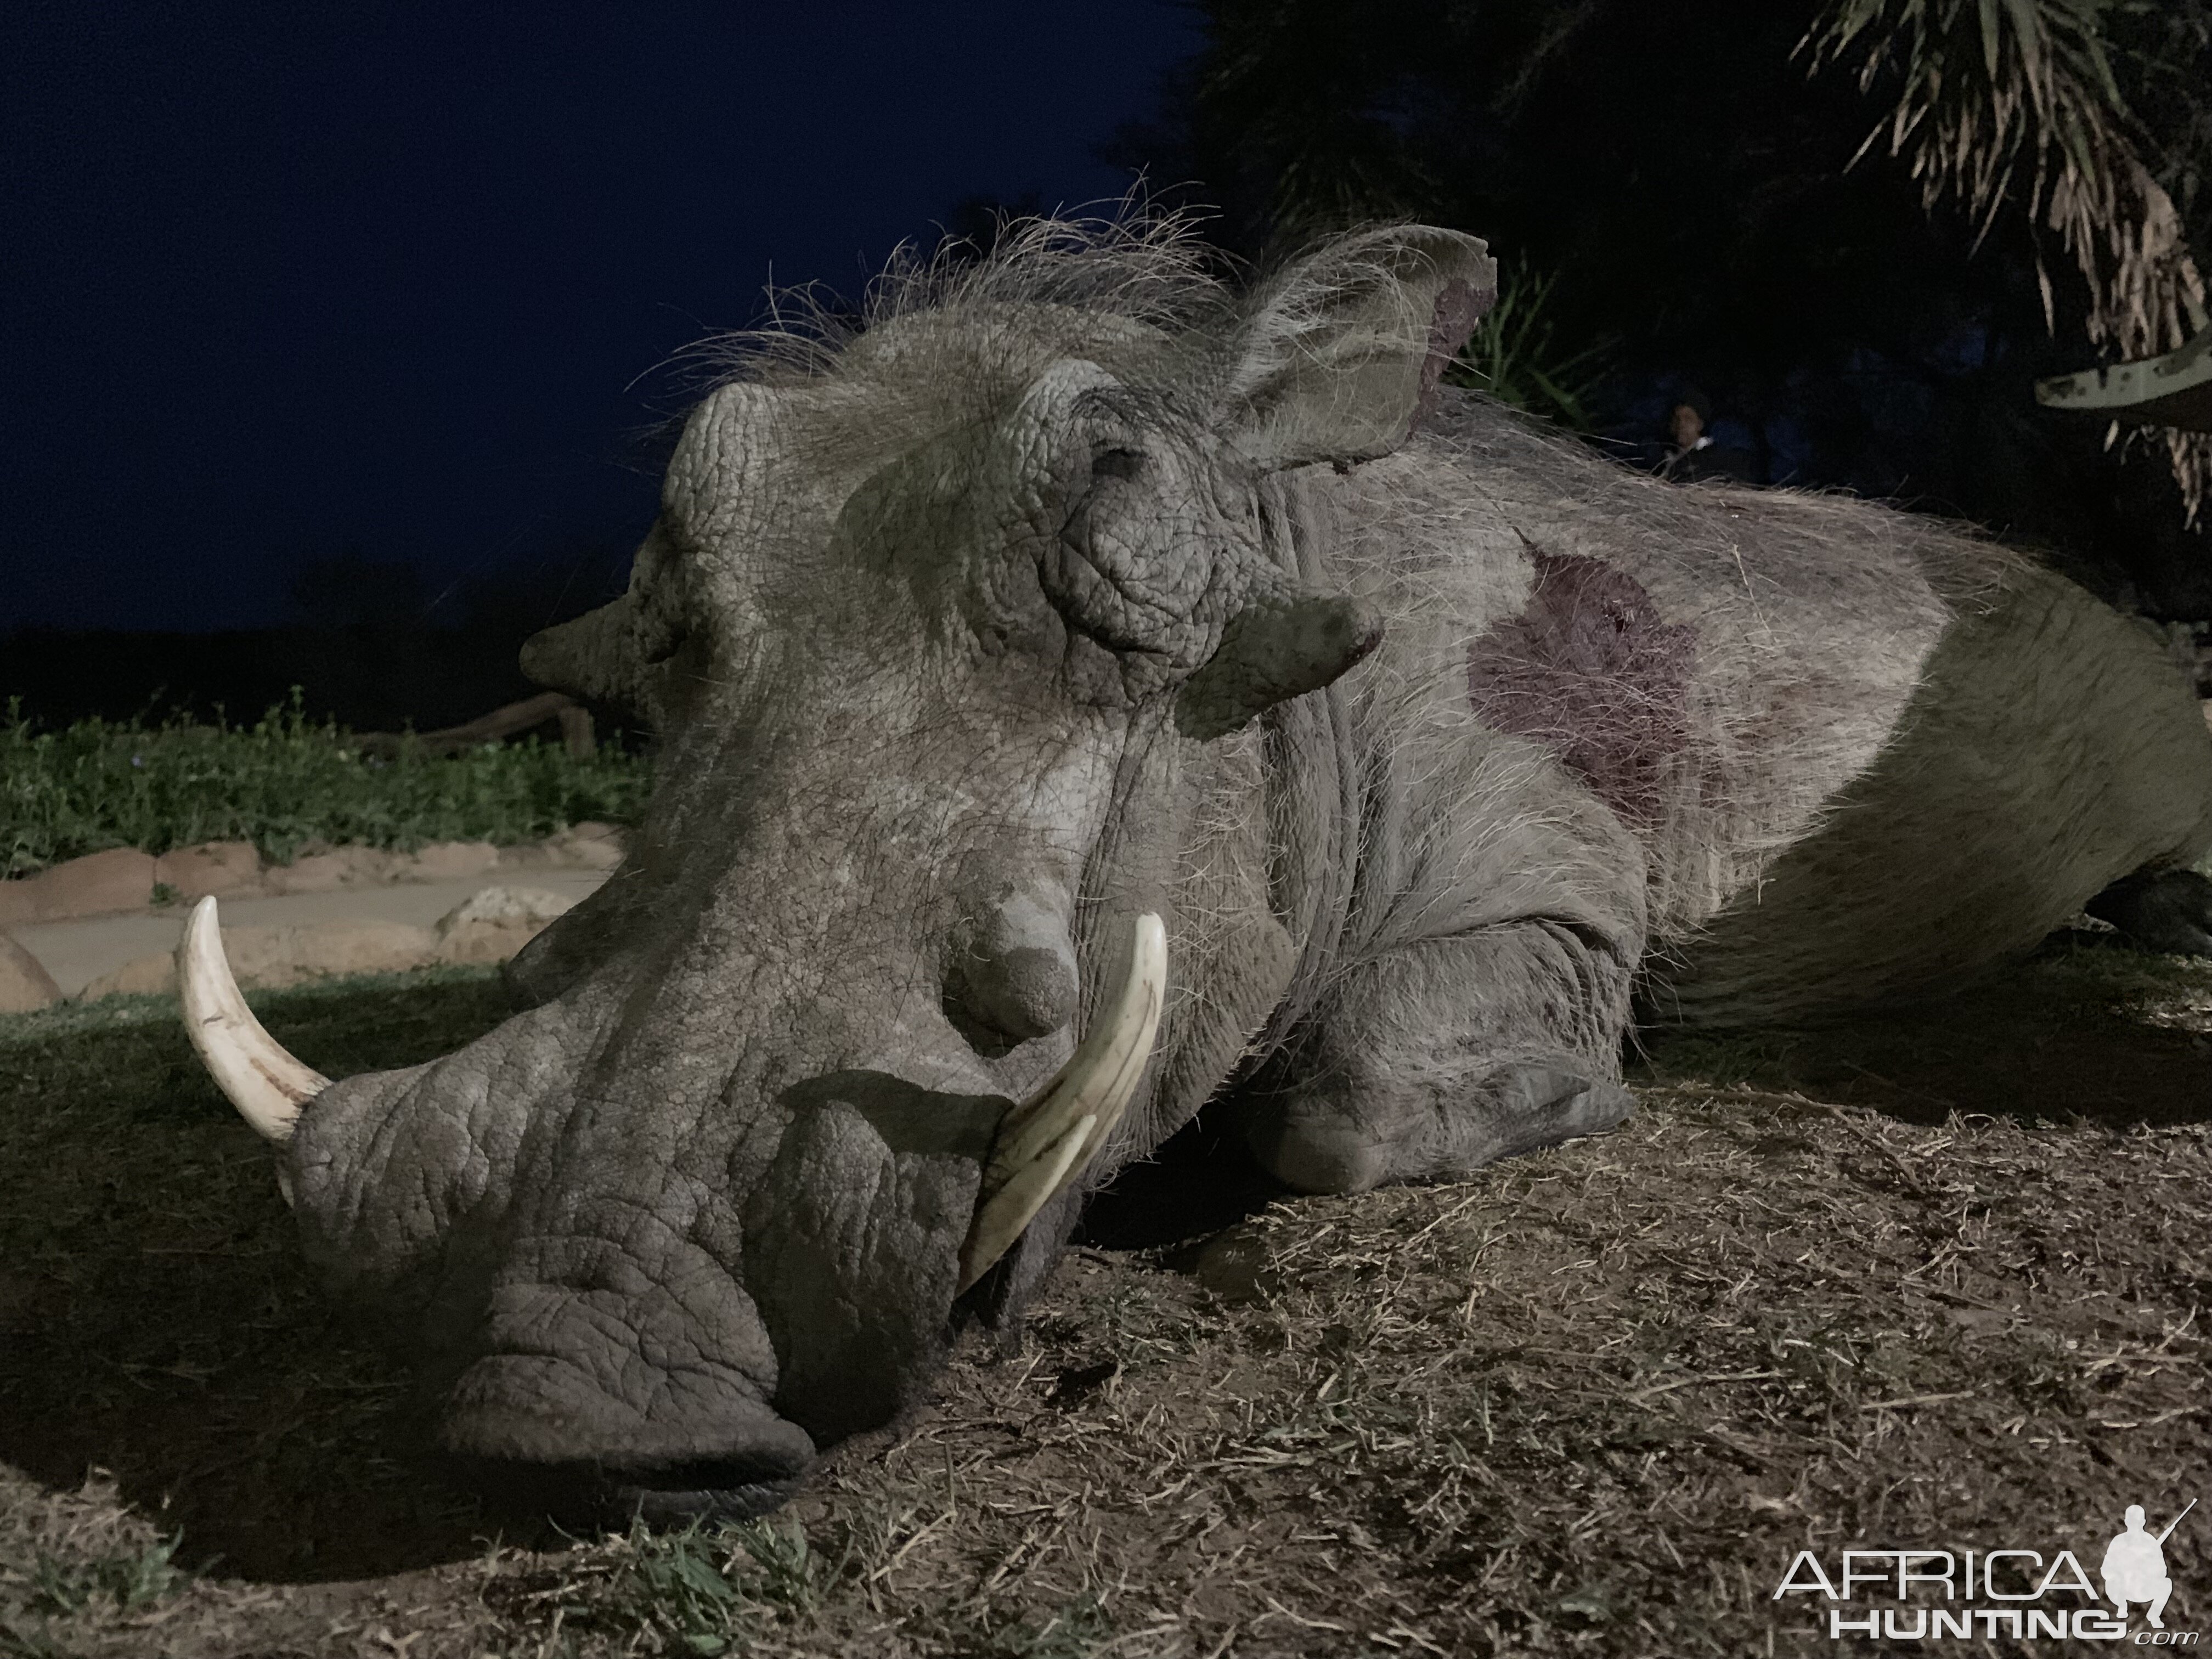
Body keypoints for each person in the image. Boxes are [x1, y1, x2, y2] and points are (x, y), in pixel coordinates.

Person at [1659, 386, 1755, 484]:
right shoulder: (1662, 460)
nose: (1681, 424)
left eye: (1688, 419)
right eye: (1677, 419)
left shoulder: (1717, 458)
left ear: (1700, 424)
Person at [2101, 1504, 2176, 1628]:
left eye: (2137, 1521)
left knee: (2166, 1584)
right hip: (2122, 1589)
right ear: (2126, 1522)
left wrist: (2148, 1566)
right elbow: (2106, 1569)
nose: (2134, 1524)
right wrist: (2122, 1569)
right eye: (2131, 1521)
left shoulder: (2151, 1542)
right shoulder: (2118, 1541)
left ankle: (2154, 1615)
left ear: (2143, 1522)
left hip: (2143, 1588)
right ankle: (2122, 1606)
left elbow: (2162, 1571)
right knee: (2113, 1582)